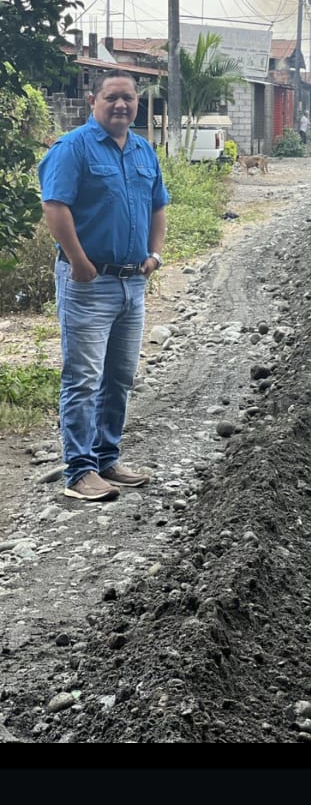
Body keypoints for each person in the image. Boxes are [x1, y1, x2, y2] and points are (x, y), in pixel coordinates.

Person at [38, 69, 171, 502]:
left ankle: (107, 458)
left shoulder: (142, 150)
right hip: (89, 283)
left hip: (133, 283)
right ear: (93, 101)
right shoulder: (72, 148)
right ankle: (79, 471)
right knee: (83, 378)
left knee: (119, 377)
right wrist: (79, 261)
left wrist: (155, 255)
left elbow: (158, 206)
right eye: (112, 97)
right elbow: (55, 206)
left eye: (128, 98)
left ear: (137, 103)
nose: (121, 105)